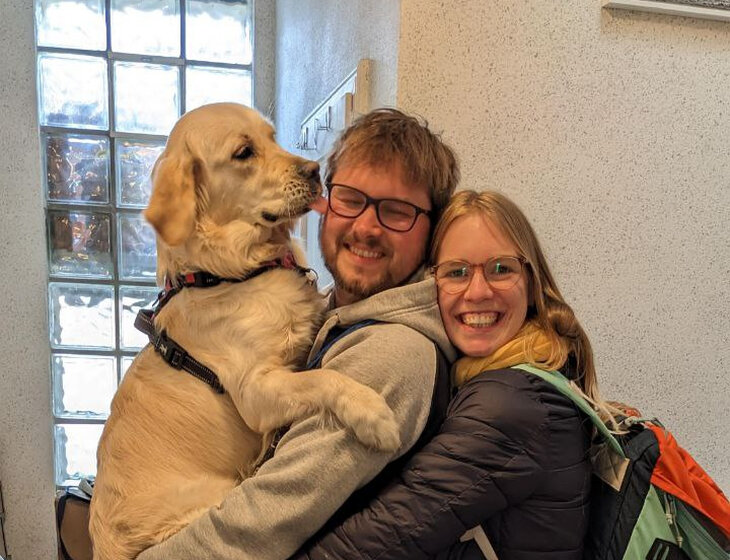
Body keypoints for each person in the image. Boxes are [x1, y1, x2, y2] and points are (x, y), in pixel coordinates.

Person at [137, 108, 460, 560]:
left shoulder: (391, 353)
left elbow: (261, 521)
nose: (366, 227)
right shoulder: (330, 310)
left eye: (397, 212)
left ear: (433, 229)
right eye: (349, 199)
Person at [293, 189, 613, 559]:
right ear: (430, 288)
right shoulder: (520, 373)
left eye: (501, 269)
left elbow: (377, 541)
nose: (477, 292)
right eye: (456, 272)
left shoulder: (510, 406)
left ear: (531, 283)